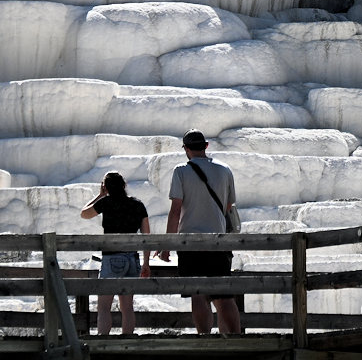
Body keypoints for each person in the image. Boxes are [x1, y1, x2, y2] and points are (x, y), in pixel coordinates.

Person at [154, 130, 242, 335]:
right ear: (206, 146)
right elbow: (229, 205)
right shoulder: (224, 169)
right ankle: (236, 338)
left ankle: (204, 338)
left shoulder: (181, 171)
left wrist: (167, 245)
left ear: (186, 148)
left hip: (190, 242)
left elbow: (176, 210)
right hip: (219, 241)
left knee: (198, 293)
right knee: (224, 296)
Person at [80, 171, 150, 335]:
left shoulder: (106, 202)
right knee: (127, 306)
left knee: (104, 306)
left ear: (106, 187)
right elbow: (148, 236)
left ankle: (103, 341)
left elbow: (84, 213)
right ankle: (128, 341)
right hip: (132, 258)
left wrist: (99, 195)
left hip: (112, 258)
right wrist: (145, 263)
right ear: (124, 185)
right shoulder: (137, 205)